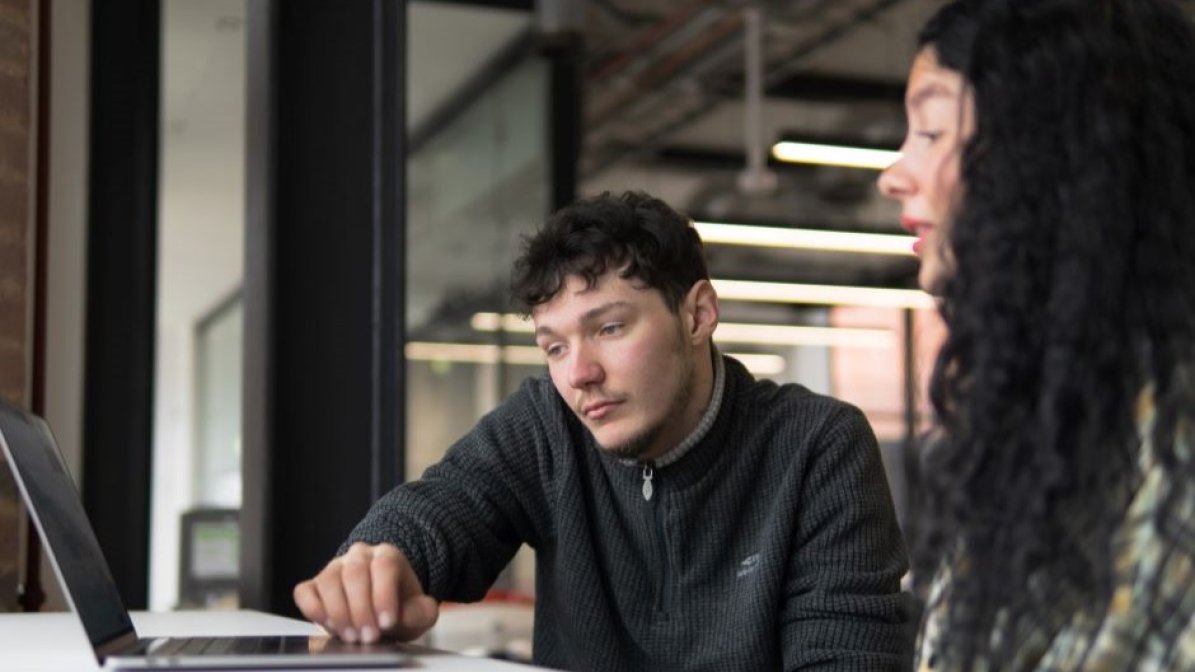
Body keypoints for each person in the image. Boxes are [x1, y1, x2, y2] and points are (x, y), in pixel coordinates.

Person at [293, 190, 911, 670]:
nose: (579, 374)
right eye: (555, 347)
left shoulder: (817, 447)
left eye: (610, 328)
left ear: (697, 314)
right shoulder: (548, 425)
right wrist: (381, 561)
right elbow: (444, 505)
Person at [878, 0, 1195, 669]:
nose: (892, 174)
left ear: (1043, 153)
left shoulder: (1168, 430)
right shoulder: (1046, 421)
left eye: (930, 132)